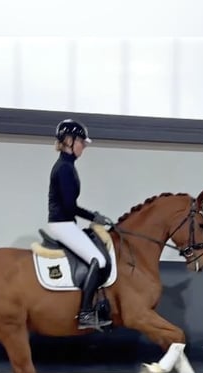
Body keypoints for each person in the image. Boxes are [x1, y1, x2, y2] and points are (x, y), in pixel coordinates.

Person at [46, 118, 114, 330]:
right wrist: (94, 217)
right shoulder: (64, 168)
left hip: (66, 222)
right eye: (81, 142)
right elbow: (69, 206)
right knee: (98, 259)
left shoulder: (68, 166)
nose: (83, 146)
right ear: (68, 141)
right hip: (62, 223)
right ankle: (85, 313)